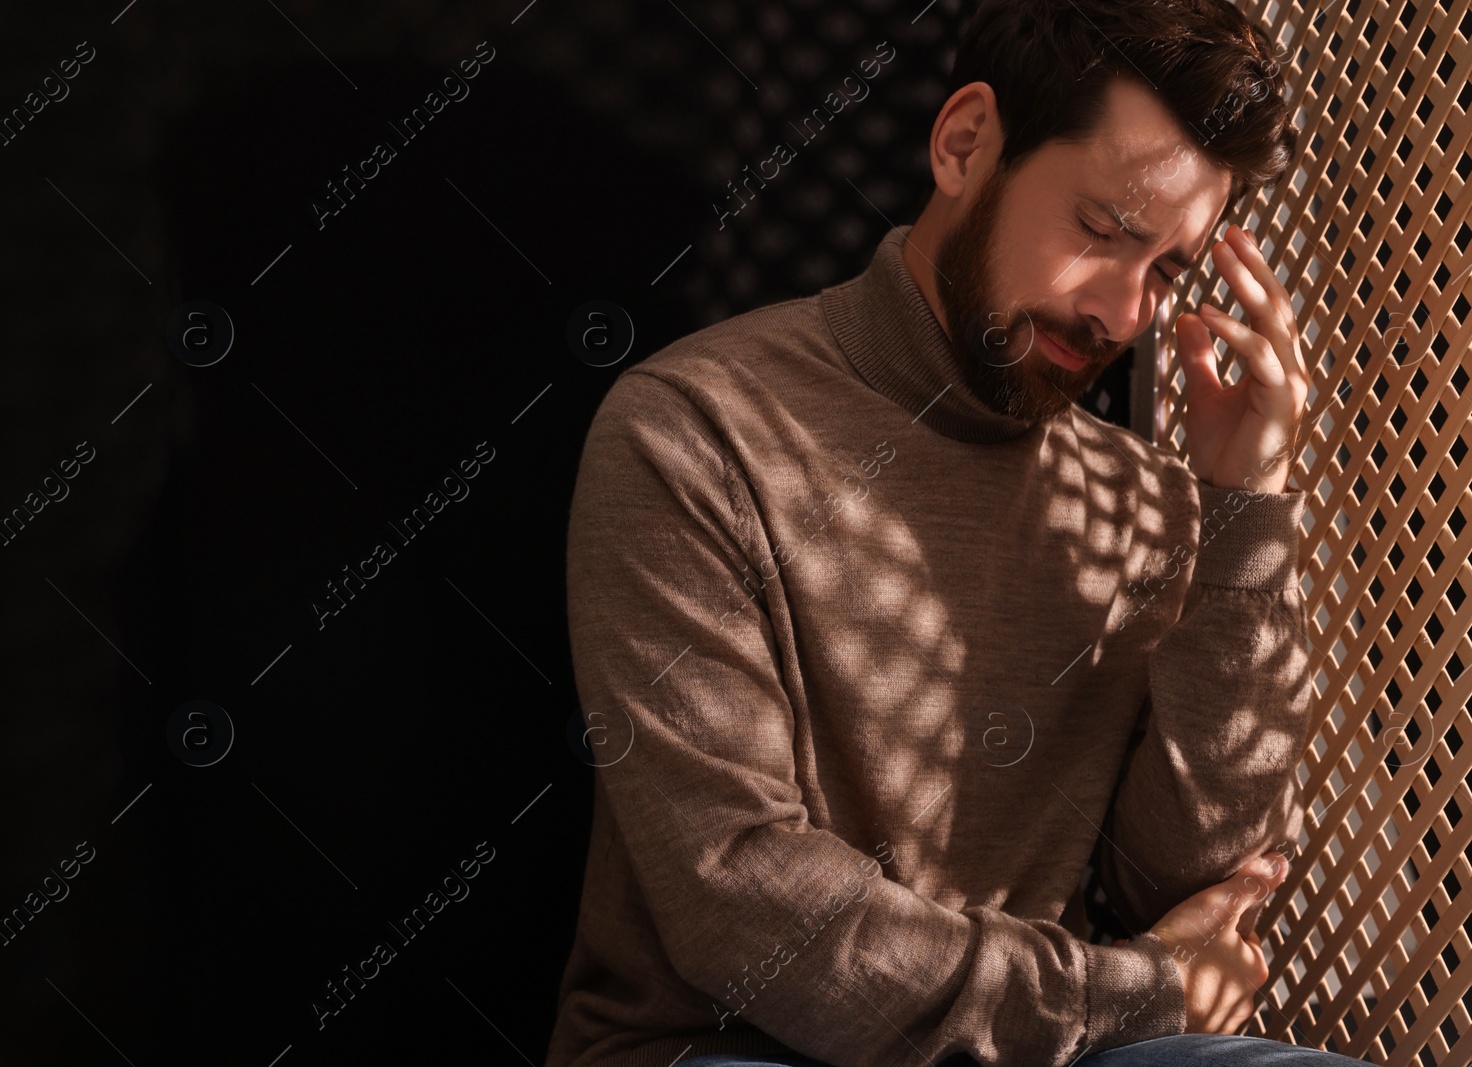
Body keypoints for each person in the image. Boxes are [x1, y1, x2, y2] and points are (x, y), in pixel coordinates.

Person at [547, 1, 1371, 1065]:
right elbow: (740, 901)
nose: (1124, 315)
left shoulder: (1135, 500)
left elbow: (1184, 882)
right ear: (964, 143)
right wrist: (1140, 991)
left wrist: (1245, 507)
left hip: (1041, 1041)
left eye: (1168, 269)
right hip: (728, 1048)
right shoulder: (692, 431)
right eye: (1104, 231)